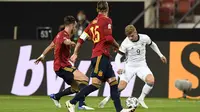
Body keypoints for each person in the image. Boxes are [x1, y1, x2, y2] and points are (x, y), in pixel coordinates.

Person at [65, 1, 135, 112]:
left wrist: (75, 53)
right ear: (107, 8)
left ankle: (120, 109)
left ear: (97, 9)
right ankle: (71, 102)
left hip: (103, 56)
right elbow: (109, 38)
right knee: (95, 84)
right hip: (100, 56)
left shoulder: (92, 23)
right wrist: (118, 47)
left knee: (113, 82)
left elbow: (81, 39)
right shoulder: (107, 20)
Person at [99, 25, 167, 109]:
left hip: (142, 65)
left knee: (151, 81)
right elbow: (118, 57)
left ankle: (141, 99)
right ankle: (108, 98)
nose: (130, 38)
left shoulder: (144, 38)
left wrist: (160, 55)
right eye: (128, 36)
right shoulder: (125, 43)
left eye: (132, 36)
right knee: (121, 87)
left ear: (135, 32)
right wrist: (119, 67)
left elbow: (152, 44)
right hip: (129, 67)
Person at [34, 15, 94, 110]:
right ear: (71, 25)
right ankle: (80, 104)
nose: (75, 28)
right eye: (74, 26)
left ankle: (56, 96)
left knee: (76, 88)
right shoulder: (64, 35)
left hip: (60, 67)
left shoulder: (59, 34)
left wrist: (42, 55)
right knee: (85, 79)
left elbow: (50, 46)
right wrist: (71, 43)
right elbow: (65, 41)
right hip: (63, 66)